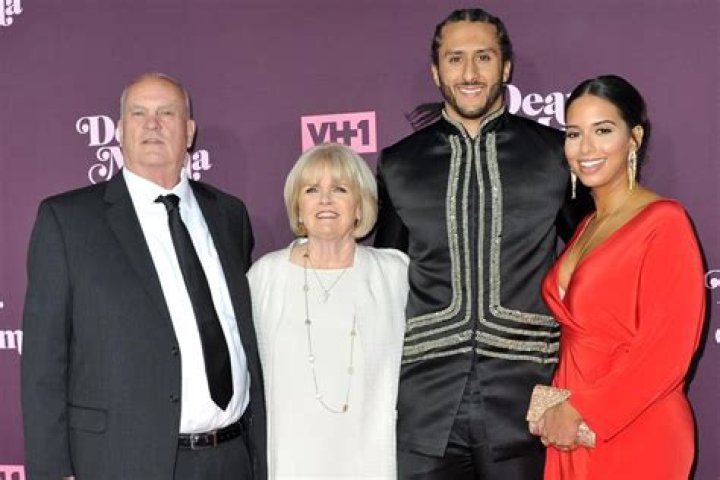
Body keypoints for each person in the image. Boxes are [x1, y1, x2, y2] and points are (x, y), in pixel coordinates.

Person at [374, 8, 591, 479]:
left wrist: (578, 387)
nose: (470, 73)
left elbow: (593, 270)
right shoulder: (399, 163)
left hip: (528, 400)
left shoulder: (556, 155)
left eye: (484, 57)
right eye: (455, 59)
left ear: (505, 67)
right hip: (424, 404)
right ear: (436, 72)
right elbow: (383, 277)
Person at [21, 73, 266, 480]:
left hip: (233, 458)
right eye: (139, 113)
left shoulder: (228, 215)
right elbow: (43, 364)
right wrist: (51, 470)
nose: (153, 124)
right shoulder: (67, 221)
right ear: (119, 131)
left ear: (189, 131)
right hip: (123, 462)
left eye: (167, 113)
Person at [534, 74, 705, 479]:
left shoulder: (664, 222)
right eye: (574, 133)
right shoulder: (585, 226)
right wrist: (558, 407)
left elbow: (668, 350)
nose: (585, 148)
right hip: (573, 428)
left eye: (603, 130)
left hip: (636, 424)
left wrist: (582, 407)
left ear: (634, 138)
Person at [248, 143, 408, 479]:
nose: (324, 200)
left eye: (339, 189)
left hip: (372, 463)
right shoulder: (265, 277)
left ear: (360, 206)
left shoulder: (395, 275)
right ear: (298, 207)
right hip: (290, 464)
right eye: (311, 190)